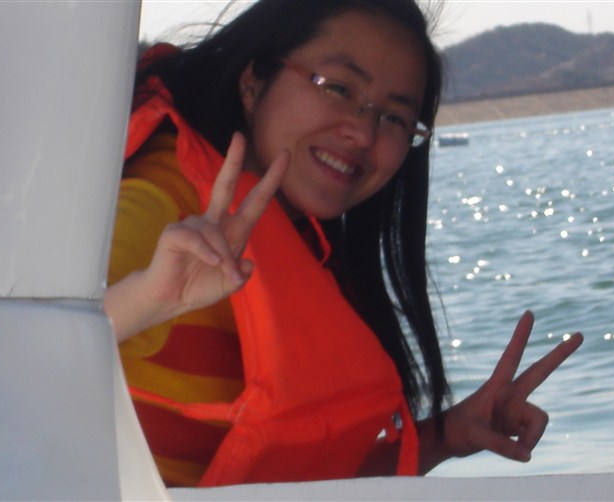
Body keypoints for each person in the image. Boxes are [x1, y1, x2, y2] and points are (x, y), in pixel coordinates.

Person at [104, 0, 583, 488]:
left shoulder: (303, 246)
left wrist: (448, 436)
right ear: (254, 82)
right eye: (337, 88)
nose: (362, 132)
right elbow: (51, 334)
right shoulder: (162, 212)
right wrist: (149, 298)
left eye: (395, 118)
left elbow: (296, 484)